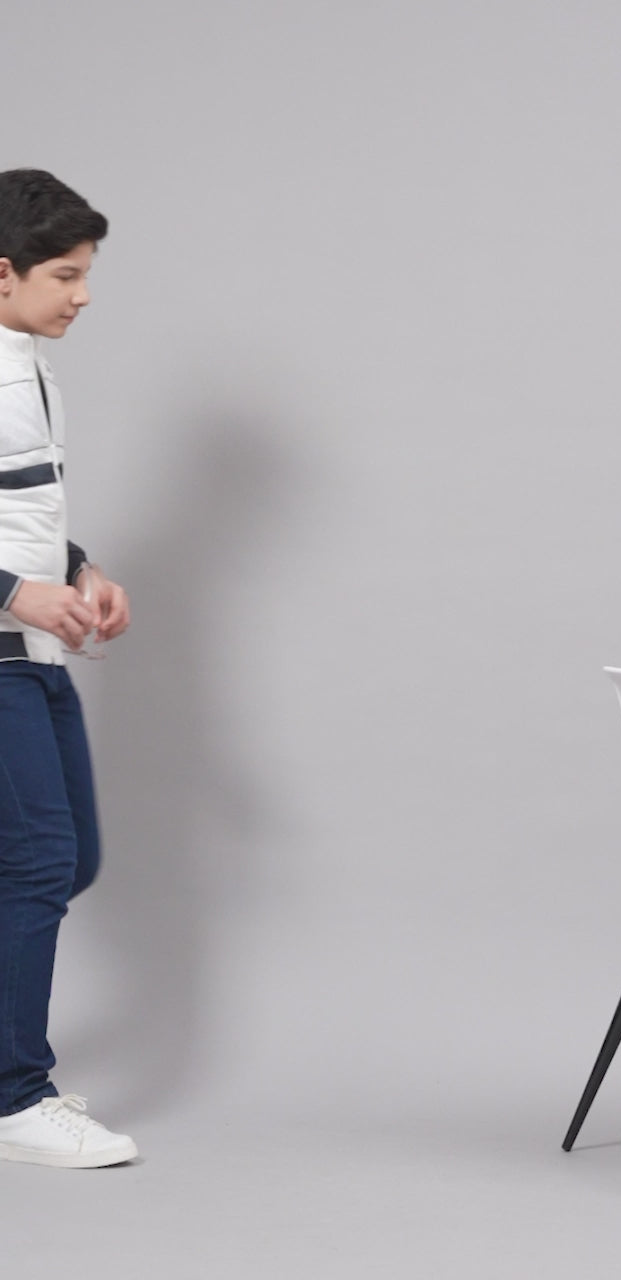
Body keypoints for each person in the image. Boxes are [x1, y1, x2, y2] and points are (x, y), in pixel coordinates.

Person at [0, 169, 137, 1167]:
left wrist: (81, 569)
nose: (83, 295)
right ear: (1, 274)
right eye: (64, 275)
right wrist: (14, 593)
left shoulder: (33, 366)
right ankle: (14, 1098)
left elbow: (22, 510)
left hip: (38, 652)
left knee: (69, 858)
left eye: (86, 274)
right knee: (39, 862)